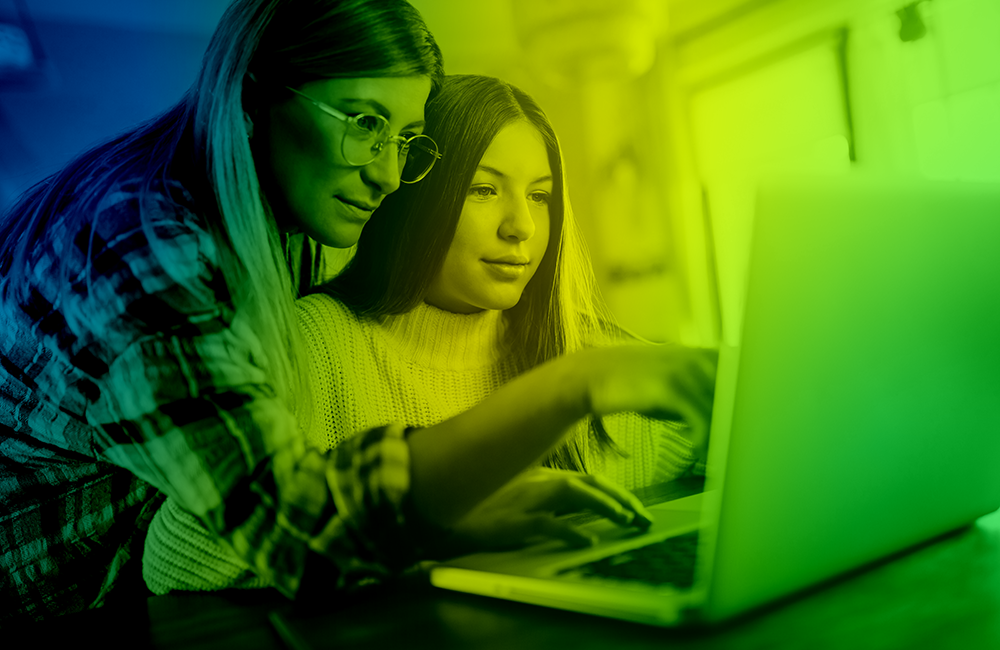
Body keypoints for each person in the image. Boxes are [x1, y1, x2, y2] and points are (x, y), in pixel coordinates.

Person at [142, 75, 716, 592]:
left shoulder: (579, 345)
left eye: (540, 196)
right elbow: (173, 564)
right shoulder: (312, 342)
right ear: (415, 197)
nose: (521, 226)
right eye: (483, 190)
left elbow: (723, 428)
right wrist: (425, 516)